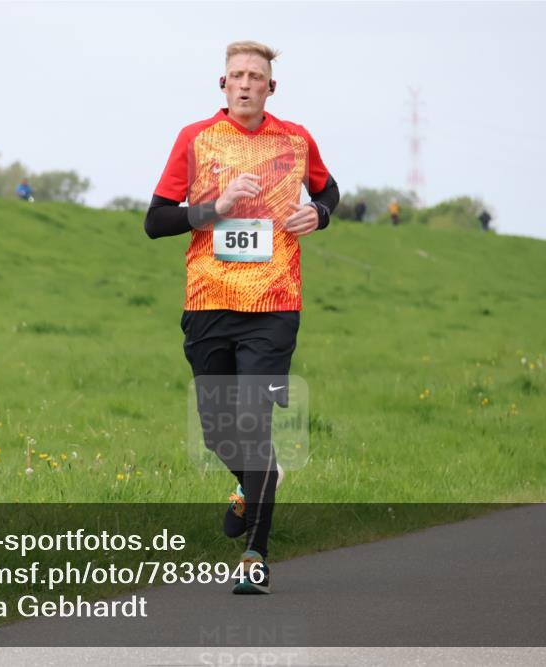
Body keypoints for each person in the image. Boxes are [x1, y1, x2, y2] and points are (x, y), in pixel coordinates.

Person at [144, 40, 339, 595]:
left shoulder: (295, 140)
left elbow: (331, 192)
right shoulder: (195, 140)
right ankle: (256, 482)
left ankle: (255, 554)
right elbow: (155, 221)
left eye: (257, 75)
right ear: (223, 86)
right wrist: (215, 210)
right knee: (218, 431)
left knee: (254, 422)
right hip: (208, 300)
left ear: (271, 88)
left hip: (274, 305)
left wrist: (317, 215)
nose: (247, 83)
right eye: (237, 75)